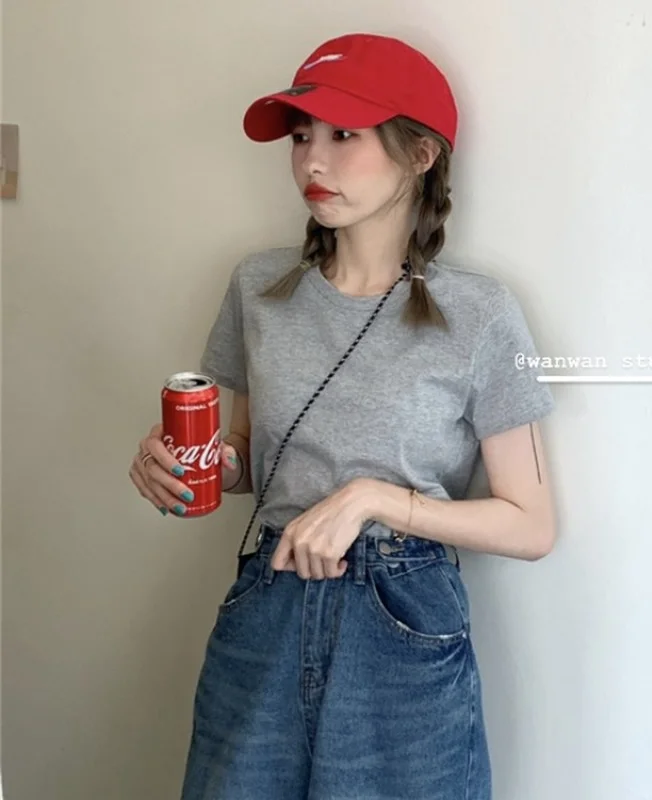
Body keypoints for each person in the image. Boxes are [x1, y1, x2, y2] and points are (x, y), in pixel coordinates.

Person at [129, 31, 557, 800]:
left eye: (343, 136)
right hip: (267, 603)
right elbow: (248, 453)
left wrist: (372, 499)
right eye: (301, 137)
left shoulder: (480, 314)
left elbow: (530, 526)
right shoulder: (260, 288)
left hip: (402, 621)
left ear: (420, 154)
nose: (311, 162)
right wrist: (192, 466)